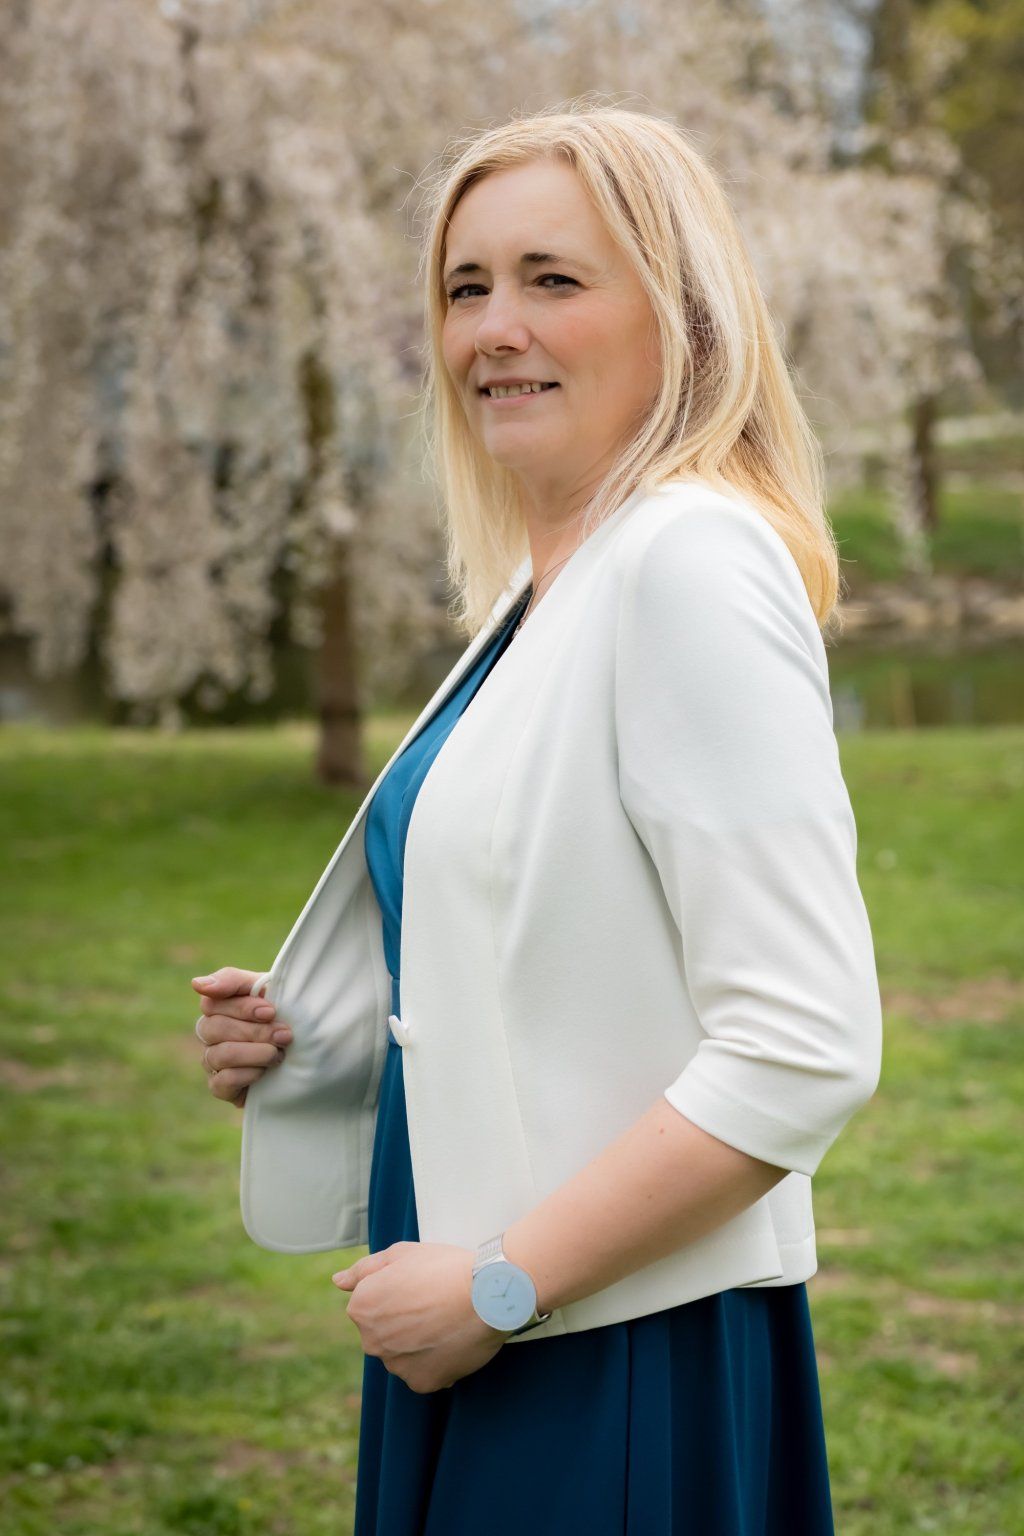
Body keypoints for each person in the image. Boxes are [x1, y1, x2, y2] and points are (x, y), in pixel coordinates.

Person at [190, 103, 883, 1535]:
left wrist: (501, 1285)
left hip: (604, 1341)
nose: (494, 330)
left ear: (683, 316)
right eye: (466, 288)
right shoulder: (545, 588)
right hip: (487, 1313)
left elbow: (803, 1044)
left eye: (552, 280)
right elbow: (560, 950)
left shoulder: (689, 563)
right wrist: (323, 1036)